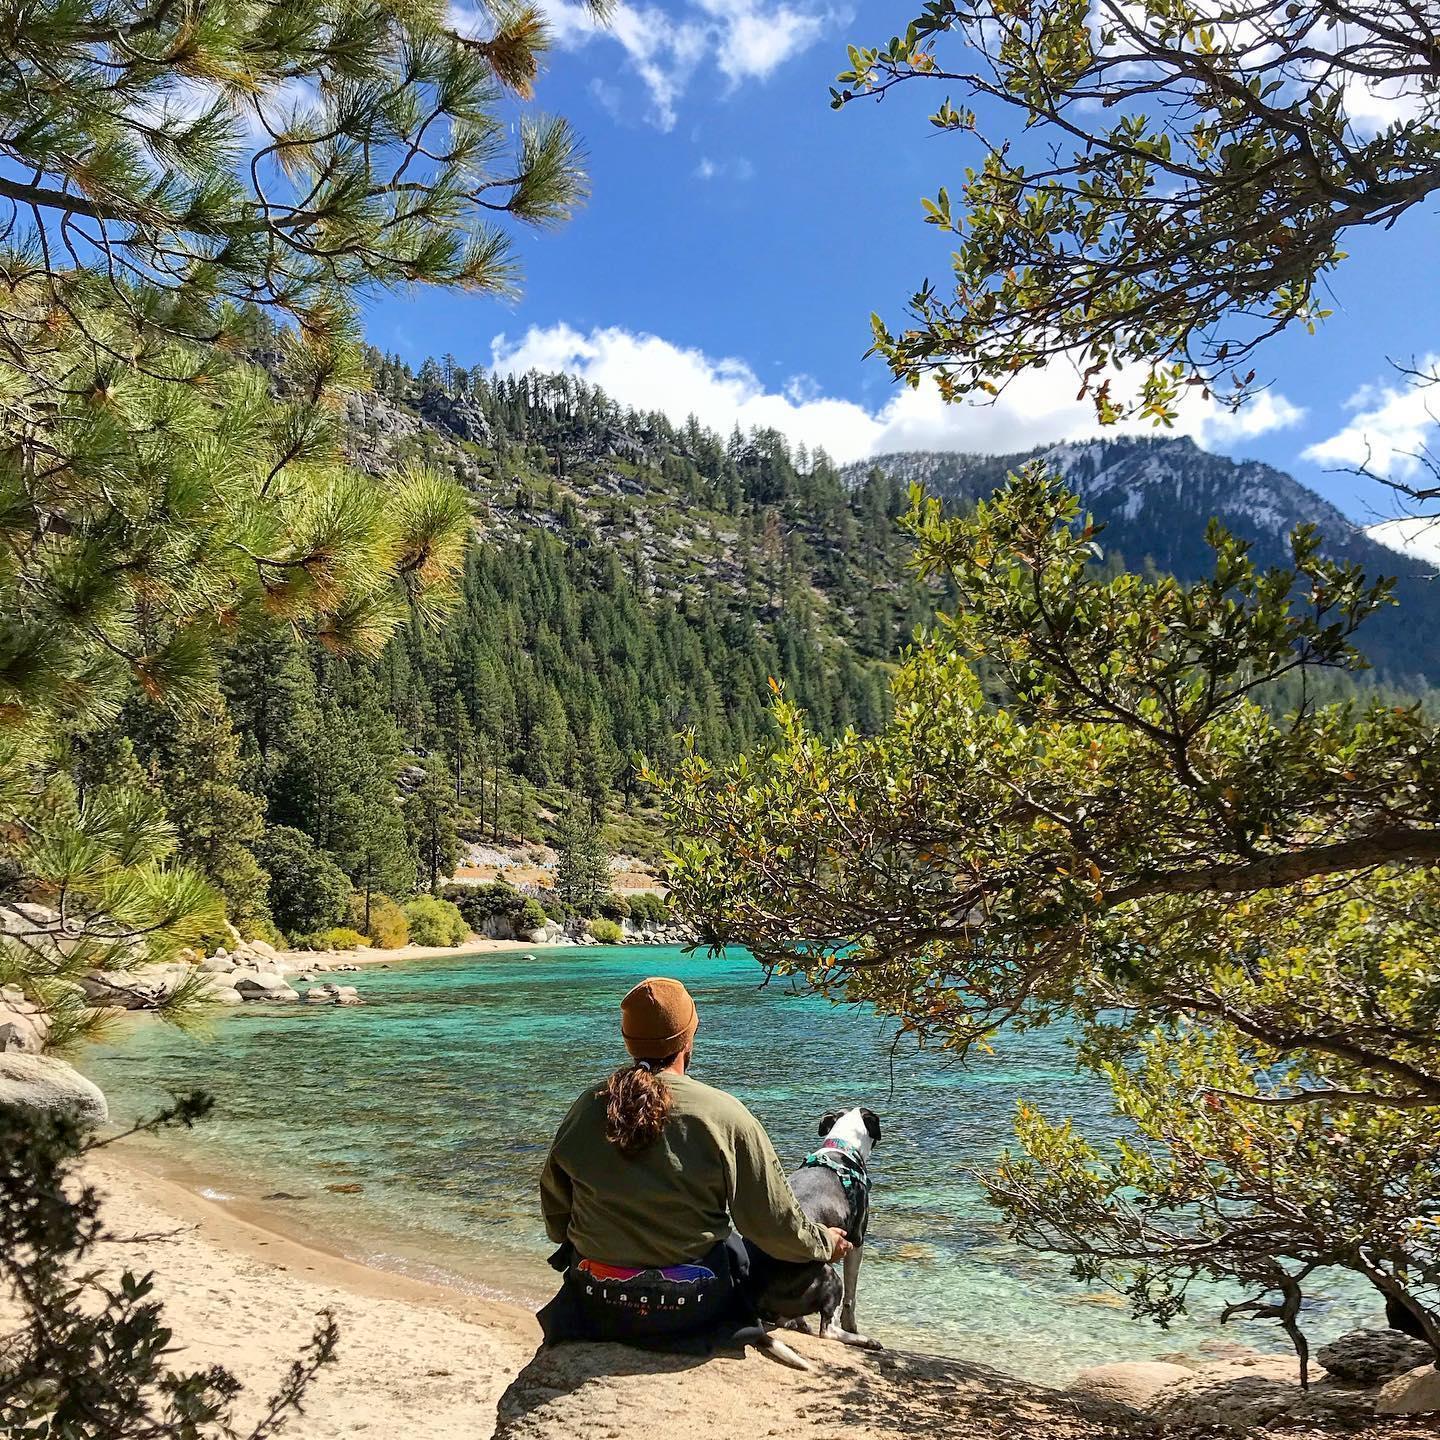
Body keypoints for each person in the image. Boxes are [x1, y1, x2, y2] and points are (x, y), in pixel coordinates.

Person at [537, 975, 850, 1349]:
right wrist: (822, 1243)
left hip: (595, 1299)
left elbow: (557, 1215)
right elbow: (771, 1223)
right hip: (691, 1306)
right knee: (754, 1251)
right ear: (688, 1039)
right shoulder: (725, 1114)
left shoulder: (587, 1107)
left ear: (628, 1040)